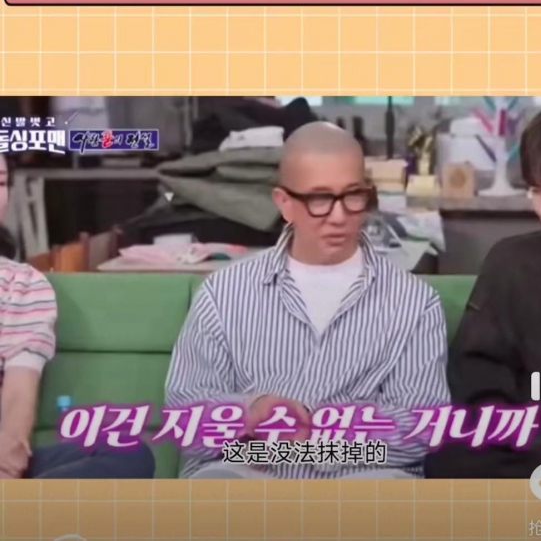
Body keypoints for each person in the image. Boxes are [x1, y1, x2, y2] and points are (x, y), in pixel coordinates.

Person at [167, 121, 450, 479]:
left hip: (359, 485)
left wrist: (322, 429)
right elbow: (186, 418)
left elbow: (422, 429)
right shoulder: (224, 293)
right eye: (320, 198)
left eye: (353, 195)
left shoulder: (415, 303)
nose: (339, 216)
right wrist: (250, 412)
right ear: (284, 203)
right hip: (247, 481)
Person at [426, 103, 541, 479]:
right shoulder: (511, 263)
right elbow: (478, 384)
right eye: (536, 190)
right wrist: (540, 452)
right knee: (446, 455)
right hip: (528, 456)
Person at [0, 155, 155, 479]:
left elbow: (18, 395)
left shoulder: (23, 285)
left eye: (0, 182)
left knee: (127, 450)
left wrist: (9, 454)